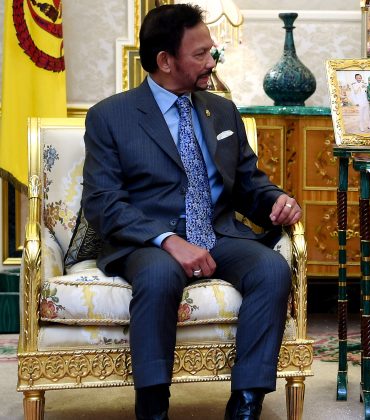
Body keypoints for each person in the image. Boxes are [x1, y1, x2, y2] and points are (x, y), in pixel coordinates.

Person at [81, 4, 302, 419]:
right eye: (200, 54)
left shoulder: (221, 110)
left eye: (211, 51)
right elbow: (103, 203)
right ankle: (153, 407)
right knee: (159, 275)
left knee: (272, 269)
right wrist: (169, 241)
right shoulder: (110, 117)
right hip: (148, 241)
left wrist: (275, 200)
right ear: (165, 60)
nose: (211, 61)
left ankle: (246, 403)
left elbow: (248, 182)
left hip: (217, 233)